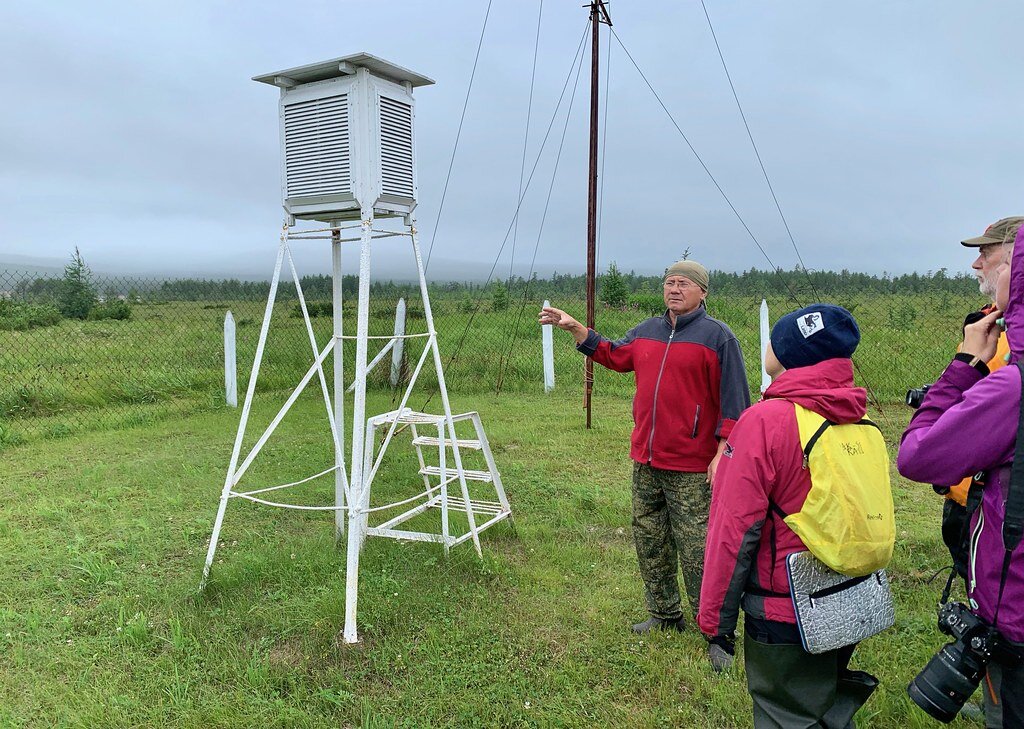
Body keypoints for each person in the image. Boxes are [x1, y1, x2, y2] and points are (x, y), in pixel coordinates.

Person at [538, 260, 750, 657]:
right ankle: (664, 613)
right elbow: (614, 355)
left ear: (703, 292)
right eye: (669, 282)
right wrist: (572, 326)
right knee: (650, 539)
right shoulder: (648, 331)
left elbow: (735, 400)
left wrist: (723, 452)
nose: (674, 289)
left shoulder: (719, 338)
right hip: (646, 461)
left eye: (684, 284)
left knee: (698, 549)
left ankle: (717, 634)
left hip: (691, 466)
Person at [699, 304, 882, 726]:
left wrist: (715, 620)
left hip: (783, 607)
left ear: (787, 354)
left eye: (775, 340)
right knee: (829, 703)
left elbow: (733, 529)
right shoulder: (857, 415)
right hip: (848, 594)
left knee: (787, 714)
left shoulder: (764, 421)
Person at [898, 224, 1024, 727]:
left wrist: (965, 364)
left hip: (1014, 610)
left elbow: (919, 455)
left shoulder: (1011, 384)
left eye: (988, 256)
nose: (977, 267)